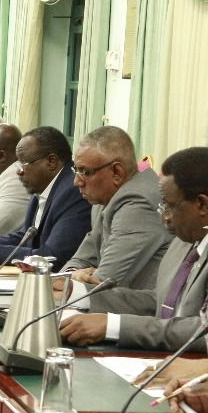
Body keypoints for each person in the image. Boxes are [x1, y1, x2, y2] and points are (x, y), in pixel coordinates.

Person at [60, 147, 208, 352]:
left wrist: (113, 326)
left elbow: (203, 332)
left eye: (170, 207)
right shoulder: (183, 243)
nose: (164, 218)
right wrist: (77, 293)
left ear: (202, 204)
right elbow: (159, 303)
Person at [0, 126, 91, 270]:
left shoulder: (72, 193)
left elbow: (53, 256)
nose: (19, 171)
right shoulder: (41, 188)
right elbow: (25, 237)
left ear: (51, 161)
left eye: (24, 163)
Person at [59, 126, 170, 292]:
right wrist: (72, 273)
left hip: (144, 306)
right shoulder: (103, 198)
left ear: (117, 172)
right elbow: (84, 257)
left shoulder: (138, 204)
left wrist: (69, 281)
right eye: (76, 170)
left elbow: (101, 283)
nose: (76, 181)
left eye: (85, 172)